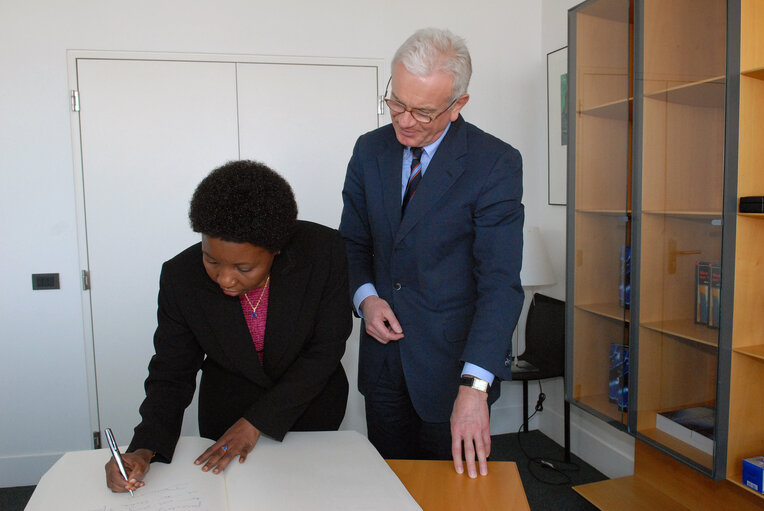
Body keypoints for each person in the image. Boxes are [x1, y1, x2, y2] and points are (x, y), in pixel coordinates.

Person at [339, 28, 524, 479]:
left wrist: (475, 387)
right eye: (396, 102)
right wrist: (367, 298)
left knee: (456, 493)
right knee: (392, 485)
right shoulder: (369, 150)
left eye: (422, 111)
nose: (404, 120)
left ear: (458, 104)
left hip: (454, 371)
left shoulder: (494, 163)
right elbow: (352, 242)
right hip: (384, 368)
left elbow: (499, 284)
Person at [105, 160, 351, 493]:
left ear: (276, 250)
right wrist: (144, 447)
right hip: (226, 412)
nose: (224, 278)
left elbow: (326, 349)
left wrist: (256, 423)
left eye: (243, 267)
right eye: (211, 259)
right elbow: (171, 372)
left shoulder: (324, 252)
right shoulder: (181, 278)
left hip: (309, 408)